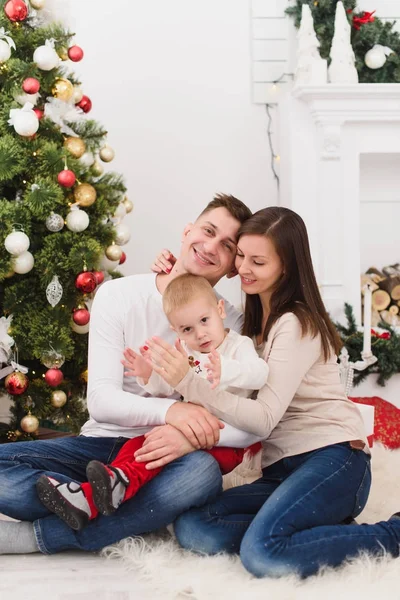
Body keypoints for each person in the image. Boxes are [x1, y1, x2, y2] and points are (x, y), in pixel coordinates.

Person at [0, 193, 263, 555]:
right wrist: (172, 411)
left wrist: (189, 437)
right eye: (207, 231)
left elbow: (255, 421)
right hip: (100, 445)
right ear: (187, 232)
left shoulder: (232, 324)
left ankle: (41, 535)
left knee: (200, 475)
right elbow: (102, 402)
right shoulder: (119, 295)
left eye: (227, 245)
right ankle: (126, 510)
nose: (211, 246)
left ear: (233, 266)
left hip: (171, 457)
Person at [145, 206, 400, 579]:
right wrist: (175, 268)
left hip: (334, 459)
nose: (244, 268)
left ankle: (391, 533)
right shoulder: (248, 324)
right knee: (194, 526)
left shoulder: (295, 322)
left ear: (286, 267)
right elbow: (193, 303)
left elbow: (264, 419)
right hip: (283, 469)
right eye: (242, 256)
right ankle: (311, 526)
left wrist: (189, 383)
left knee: (263, 554)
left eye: (258, 261)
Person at [35, 274, 267, 530]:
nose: (200, 334)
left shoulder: (238, 345)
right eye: (188, 329)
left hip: (226, 442)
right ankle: (100, 490)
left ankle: (109, 490)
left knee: (168, 459)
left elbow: (259, 374)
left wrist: (228, 370)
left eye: (204, 321)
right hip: (186, 429)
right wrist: (149, 376)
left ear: (220, 310)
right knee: (142, 443)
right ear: (175, 331)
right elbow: (169, 385)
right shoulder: (188, 354)